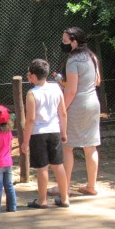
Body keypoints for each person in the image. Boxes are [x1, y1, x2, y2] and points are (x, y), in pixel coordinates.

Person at [48, 27, 102, 197]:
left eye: (64, 41)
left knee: (68, 147)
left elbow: (70, 91)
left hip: (77, 106)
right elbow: (97, 81)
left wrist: (61, 109)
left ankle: (64, 186)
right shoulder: (92, 56)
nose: (62, 44)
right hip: (93, 103)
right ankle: (91, 186)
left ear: (74, 42)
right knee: (90, 146)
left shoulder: (73, 61)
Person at [20, 59, 70, 209]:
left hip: (38, 133)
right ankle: (65, 198)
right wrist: (64, 132)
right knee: (58, 165)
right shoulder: (56, 88)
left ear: (34, 76)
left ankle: (42, 200)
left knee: (42, 167)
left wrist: (25, 141)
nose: (28, 76)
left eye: (29, 74)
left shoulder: (32, 93)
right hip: (54, 131)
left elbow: (30, 119)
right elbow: (63, 112)